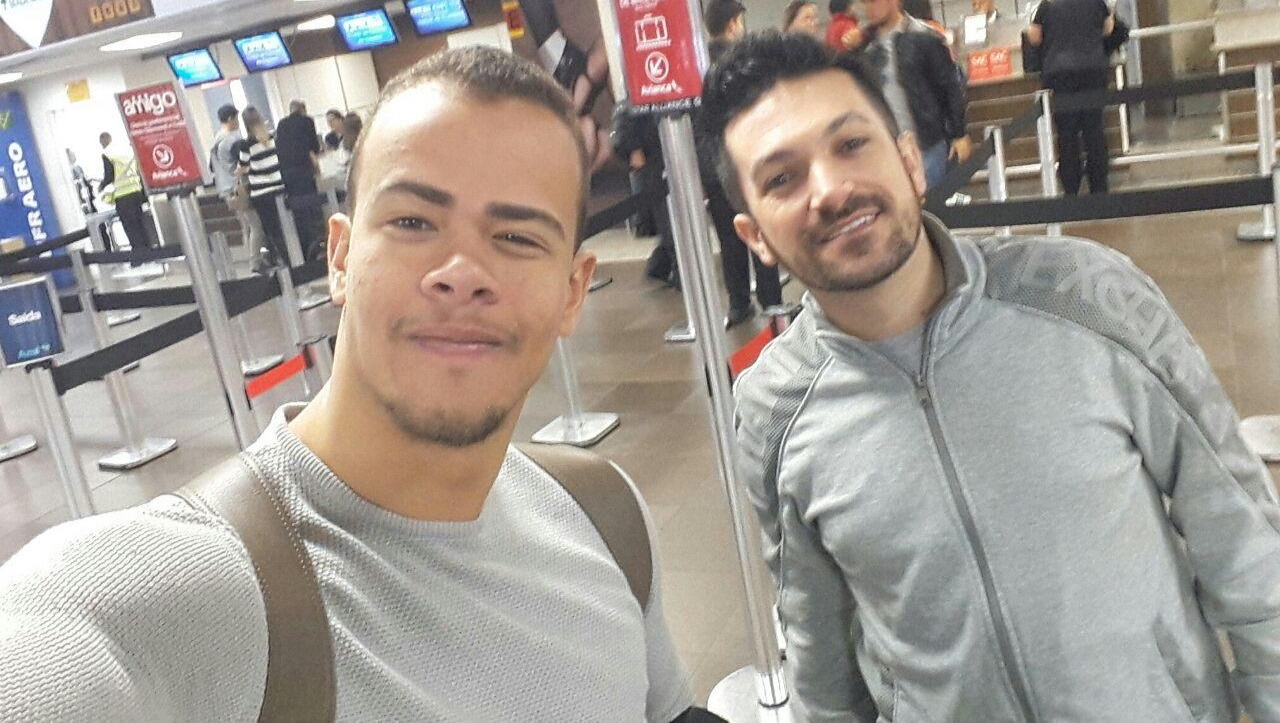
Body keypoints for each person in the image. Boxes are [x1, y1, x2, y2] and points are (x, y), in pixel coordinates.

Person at [0, 47, 712, 722]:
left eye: (518, 237)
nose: (462, 272)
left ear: (572, 291)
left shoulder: (604, 516)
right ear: (339, 257)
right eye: (413, 221)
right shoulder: (161, 598)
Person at [702, 31, 1280, 721]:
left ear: (910, 162)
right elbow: (817, 647)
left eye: (851, 144)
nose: (830, 189)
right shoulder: (774, 406)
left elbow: (1240, 533)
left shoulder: (1086, 298)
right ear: (755, 237)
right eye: (782, 179)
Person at [703, 0, 783, 326]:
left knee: (728, 236)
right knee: (759, 227)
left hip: (713, 166)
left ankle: (738, 303)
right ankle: (771, 299)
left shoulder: (697, 63)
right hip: (747, 161)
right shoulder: (744, 62)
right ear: (733, 23)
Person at [856, 0, 971, 189]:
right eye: (865, 3)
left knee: (935, 202)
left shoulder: (924, 36)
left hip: (928, 145)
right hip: (888, 152)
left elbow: (950, 86)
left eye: (874, 1)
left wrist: (959, 133)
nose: (869, 8)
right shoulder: (865, 46)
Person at [1027, 0, 1114, 194]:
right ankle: (1099, 187)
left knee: (1067, 133)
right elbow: (1108, 28)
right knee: (1095, 130)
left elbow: (1034, 37)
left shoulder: (1047, 4)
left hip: (1060, 74)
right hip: (1092, 70)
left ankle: (1071, 187)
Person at [209, 103, 263, 258]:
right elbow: (243, 162)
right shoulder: (231, 139)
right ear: (230, 119)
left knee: (245, 226)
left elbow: (211, 167)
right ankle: (254, 259)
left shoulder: (217, 139)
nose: (238, 122)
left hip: (226, 188)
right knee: (254, 226)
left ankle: (251, 257)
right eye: (236, 118)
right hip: (238, 188)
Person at [237, 107, 288, 273]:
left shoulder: (246, 145)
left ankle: (282, 259)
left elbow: (243, 167)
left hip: (261, 193)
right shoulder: (272, 138)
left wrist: (242, 169)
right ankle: (291, 258)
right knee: (284, 225)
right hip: (279, 188)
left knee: (271, 230)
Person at [274, 99, 326, 255]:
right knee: (311, 206)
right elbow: (313, 146)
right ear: (303, 110)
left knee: (297, 210)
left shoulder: (281, 124)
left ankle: (303, 247)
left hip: (286, 173)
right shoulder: (307, 121)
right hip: (303, 169)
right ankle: (317, 243)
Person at [98, 131, 154, 255]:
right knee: (140, 222)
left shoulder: (107, 154)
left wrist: (101, 187)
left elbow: (109, 176)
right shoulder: (126, 151)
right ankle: (149, 251)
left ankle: (139, 254)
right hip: (136, 191)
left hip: (123, 195)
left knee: (130, 226)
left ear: (103, 142)